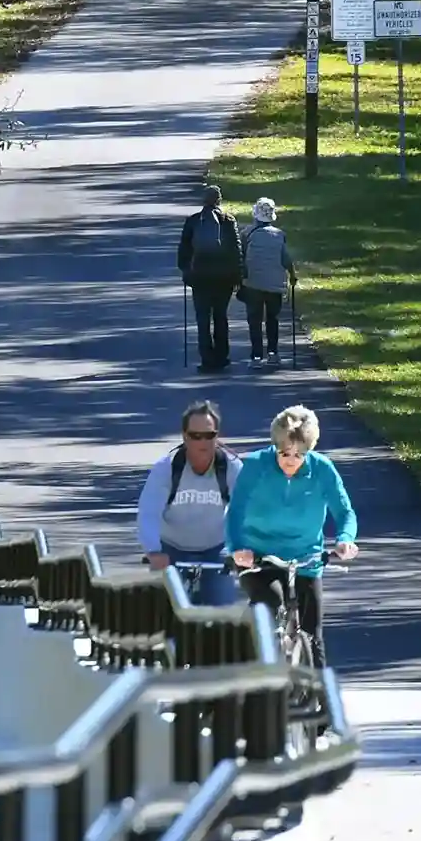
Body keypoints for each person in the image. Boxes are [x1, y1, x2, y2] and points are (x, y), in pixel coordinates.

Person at [228, 405, 358, 666]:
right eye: (284, 453)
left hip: (306, 558)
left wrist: (345, 538)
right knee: (270, 599)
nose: (291, 460)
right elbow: (235, 512)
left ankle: (322, 699)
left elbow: (345, 512)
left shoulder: (323, 469)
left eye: (300, 454)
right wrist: (239, 548)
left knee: (312, 631)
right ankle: (242, 658)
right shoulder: (255, 466)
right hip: (259, 557)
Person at [137, 400, 246, 606]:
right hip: (171, 550)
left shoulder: (231, 467)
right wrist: (153, 551)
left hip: (216, 549)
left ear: (217, 436)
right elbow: (148, 513)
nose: (202, 442)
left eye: (209, 435)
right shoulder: (167, 468)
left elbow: (246, 512)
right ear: (185, 436)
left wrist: (241, 548)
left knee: (222, 614)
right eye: (196, 436)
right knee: (164, 610)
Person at [177, 185, 243, 372]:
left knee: (203, 319)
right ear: (219, 200)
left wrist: (186, 272)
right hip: (224, 278)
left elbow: (184, 249)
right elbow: (236, 249)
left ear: (203, 200)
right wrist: (238, 275)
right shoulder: (228, 220)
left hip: (200, 277)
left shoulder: (193, 221)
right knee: (221, 317)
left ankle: (207, 359)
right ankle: (222, 357)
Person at [241, 197, 295, 368]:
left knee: (254, 320)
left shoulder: (247, 233)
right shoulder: (280, 235)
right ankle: (273, 353)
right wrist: (293, 275)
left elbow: (240, 258)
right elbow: (286, 259)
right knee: (273, 319)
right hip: (275, 284)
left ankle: (256, 356)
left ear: (255, 215)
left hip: (253, 284)